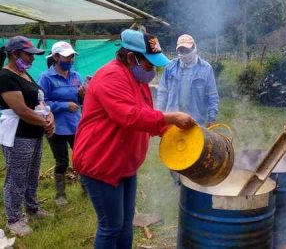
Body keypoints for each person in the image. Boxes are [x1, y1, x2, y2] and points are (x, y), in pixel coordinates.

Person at [72, 29, 195, 249]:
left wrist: (176, 132)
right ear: (131, 57)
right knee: (111, 226)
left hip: (125, 163)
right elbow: (130, 116)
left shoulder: (137, 79)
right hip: (101, 162)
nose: (153, 71)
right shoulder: (110, 76)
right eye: (149, 65)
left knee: (125, 223)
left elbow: (148, 115)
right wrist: (172, 117)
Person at [0, 36, 55, 236]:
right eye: (28, 55)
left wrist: (50, 117)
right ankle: (14, 218)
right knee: (17, 177)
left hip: (34, 133)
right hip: (18, 135)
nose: (32, 59)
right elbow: (21, 110)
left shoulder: (24, 73)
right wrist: (45, 122)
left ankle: (32, 208)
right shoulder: (6, 77)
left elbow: (39, 101)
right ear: (15, 54)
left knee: (32, 174)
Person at [156, 34, 219, 185]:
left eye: (187, 49)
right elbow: (162, 92)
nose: (184, 53)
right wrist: (159, 115)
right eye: (181, 50)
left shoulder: (206, 69)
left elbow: (212, 96)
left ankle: (192, 183)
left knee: (196, 153)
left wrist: (212, 118)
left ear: (194, 48)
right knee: (174, 151)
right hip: (173, 120)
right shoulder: (170, 67)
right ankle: (177, 183)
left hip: (195, 120)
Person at [38, 41, 84, 206]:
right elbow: (41, 103)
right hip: (56, 126)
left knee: (81, 158)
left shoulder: (76, 76)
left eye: (72, 56)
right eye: (67, 56)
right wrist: (64, 105)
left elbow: (80, 101)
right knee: (62, 161)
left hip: (75, 125)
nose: (70, 60)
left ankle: (86, 188)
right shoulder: (46, 78)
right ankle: (61, 195)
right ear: (56, 57)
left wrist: (82, 96)